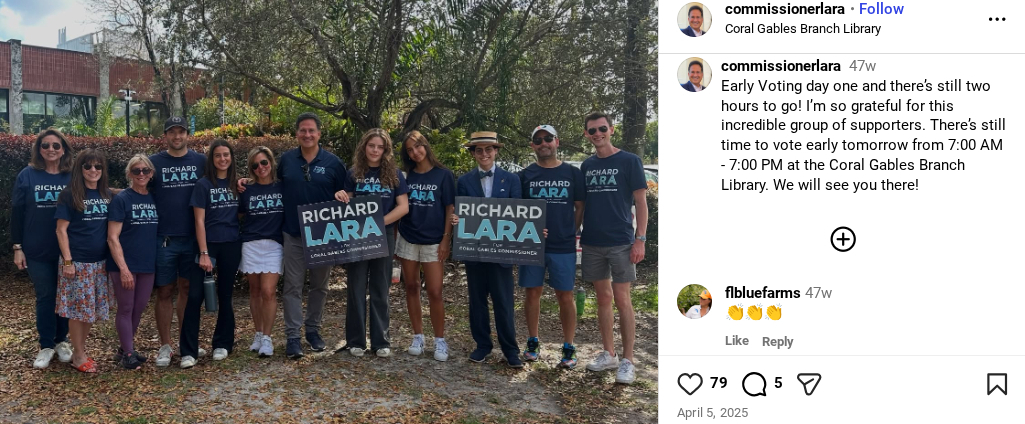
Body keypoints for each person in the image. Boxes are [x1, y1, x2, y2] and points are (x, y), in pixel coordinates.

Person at [579, 112, 648, 385]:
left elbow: (641, 202)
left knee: (623, 300)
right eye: (592, 131)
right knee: (603, 299)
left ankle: (628, 360)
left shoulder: (630, 161)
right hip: (593, 242)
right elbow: (581, 206)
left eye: (602, 129)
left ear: (611, 129)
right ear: (586, 135)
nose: (598, 134)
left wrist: (640, 239)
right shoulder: (586, 166)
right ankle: (609, 354)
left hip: (622, 241)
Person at [275, 112, 348, 359]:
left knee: (320, 286)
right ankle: (293, 336)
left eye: (311, 131)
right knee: (292, 287)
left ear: (319, 133)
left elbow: (348, 192)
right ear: (296, 133)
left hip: (323, 235)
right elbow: (269, 185)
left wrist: (343, 195)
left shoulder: (334, 163)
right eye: (302, 130)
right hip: (293, 234)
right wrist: (245, 182)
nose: (307, 135)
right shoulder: (286, 160)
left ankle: (313, 331)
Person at [451, 131, 523, 368]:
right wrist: (456, 221)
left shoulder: (512, 180)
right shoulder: (464, 181)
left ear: (496, 151)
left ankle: (510, 349)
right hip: (474, 251)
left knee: (504, 302)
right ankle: (482, 345)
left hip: (502, 253)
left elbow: (519, 216)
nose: (484, 154)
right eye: (479, 150)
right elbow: (461, 213)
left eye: (488, 149)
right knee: (477, 302)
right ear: (473, 154)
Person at [336, 129, 409, 358]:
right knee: (356, 286)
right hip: (357, 234)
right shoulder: (353, 173)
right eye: (371, 146)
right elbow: (346, 205)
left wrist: (378, 223)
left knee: (380, 287)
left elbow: (403, 207)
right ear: (364, 147)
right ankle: (356, 340)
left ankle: (381, 341)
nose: (375, 150)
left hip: (384, 234)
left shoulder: (395, 175)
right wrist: (340, 195)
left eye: (380, 147)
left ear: (386, 150)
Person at [517, 125, 585, 368]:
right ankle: (533, 341)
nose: (543, 143)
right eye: (538, 140)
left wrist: (570, 230)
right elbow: (516, 211)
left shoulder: (572, 173)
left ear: (557, 142)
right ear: (533, 146)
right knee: (532, 292)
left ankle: (568, 346)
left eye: (548, 138)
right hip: (532, 244)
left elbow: (580, 206)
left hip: (563, 245)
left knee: (564, 295)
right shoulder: (525, 175)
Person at [11, 129, 74, 369]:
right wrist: (18, 247)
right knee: (46, 296)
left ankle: (62, 341)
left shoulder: (71, 177)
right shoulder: (27, 175)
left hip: (67, 250)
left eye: (56, 146)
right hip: (36, 249)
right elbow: (17, 213)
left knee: (65, 296)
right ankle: (46, 345)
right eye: (45, 145)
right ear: (39, 149)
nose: (51, 150)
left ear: (63, 150)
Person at [149, 117, 207, 367]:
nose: (176, 136)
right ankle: (165, 345)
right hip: (164, 239)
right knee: (164, 291)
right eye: (171, 132)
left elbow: (219, 184)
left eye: (181, 132)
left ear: (187, 134)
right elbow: (138, 190)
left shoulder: (201, 161)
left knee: (187, 290)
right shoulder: (152, 163)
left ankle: (187, 343)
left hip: (193, 238)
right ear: (165, 136)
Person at [180, 139, 242, 368]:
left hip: (231, 245)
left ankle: (222, 344)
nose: (223, 159)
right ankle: (188, 351)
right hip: (206, 245)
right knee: (195, 296)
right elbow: (198, 220)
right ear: (212, 159)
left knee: (226, 295)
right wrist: (204, 252)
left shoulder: (238, 184)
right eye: (218, 155)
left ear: (232, 158)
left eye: (226, 155)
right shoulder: (203, 185)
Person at [397, 130, 455, 361]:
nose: (415, 152)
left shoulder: (444, 175)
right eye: (410, 150)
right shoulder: (405, 176)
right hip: (408, 237)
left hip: (433, 241)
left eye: (418, 146)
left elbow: (450, 208)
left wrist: (445, 239)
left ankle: (439, 340)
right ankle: (418, 336)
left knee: (435, 292)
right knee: (411, 287)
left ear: (426, 145)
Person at [54, 149, 114, 373]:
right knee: (78, 312)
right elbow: (61, 231)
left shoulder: (106, 194)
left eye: (98, 166)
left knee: (90, 311)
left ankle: (81, 351)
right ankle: (78, 355)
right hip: (77, 263)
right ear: (80, 169)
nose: (93, 170)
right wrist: (68, 261)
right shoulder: (69, 195)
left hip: (99, 263)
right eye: (88, 166)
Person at [107, 154, 160, 369]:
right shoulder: (122, 199)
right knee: (126, 308)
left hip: (147, 263)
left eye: (145, 170)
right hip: (124, 264)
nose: (141, 174)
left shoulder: (154, 197)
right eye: (136, 170)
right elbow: (112, 237)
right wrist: (123, 269)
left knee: (138, 308)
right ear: (129, 173)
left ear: (151, 174)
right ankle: (128, 353)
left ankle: (124, 349)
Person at [239, 146, 284, 358]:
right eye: (255, 165)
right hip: (251, 243)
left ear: (271, 162)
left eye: (264, 162)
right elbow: (238, 214)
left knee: (268, 291)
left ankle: (267, 337)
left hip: (274, 244)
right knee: (255, 291)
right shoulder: (246, 189)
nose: (260, 168)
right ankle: (258, 333)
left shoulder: (282, 187)